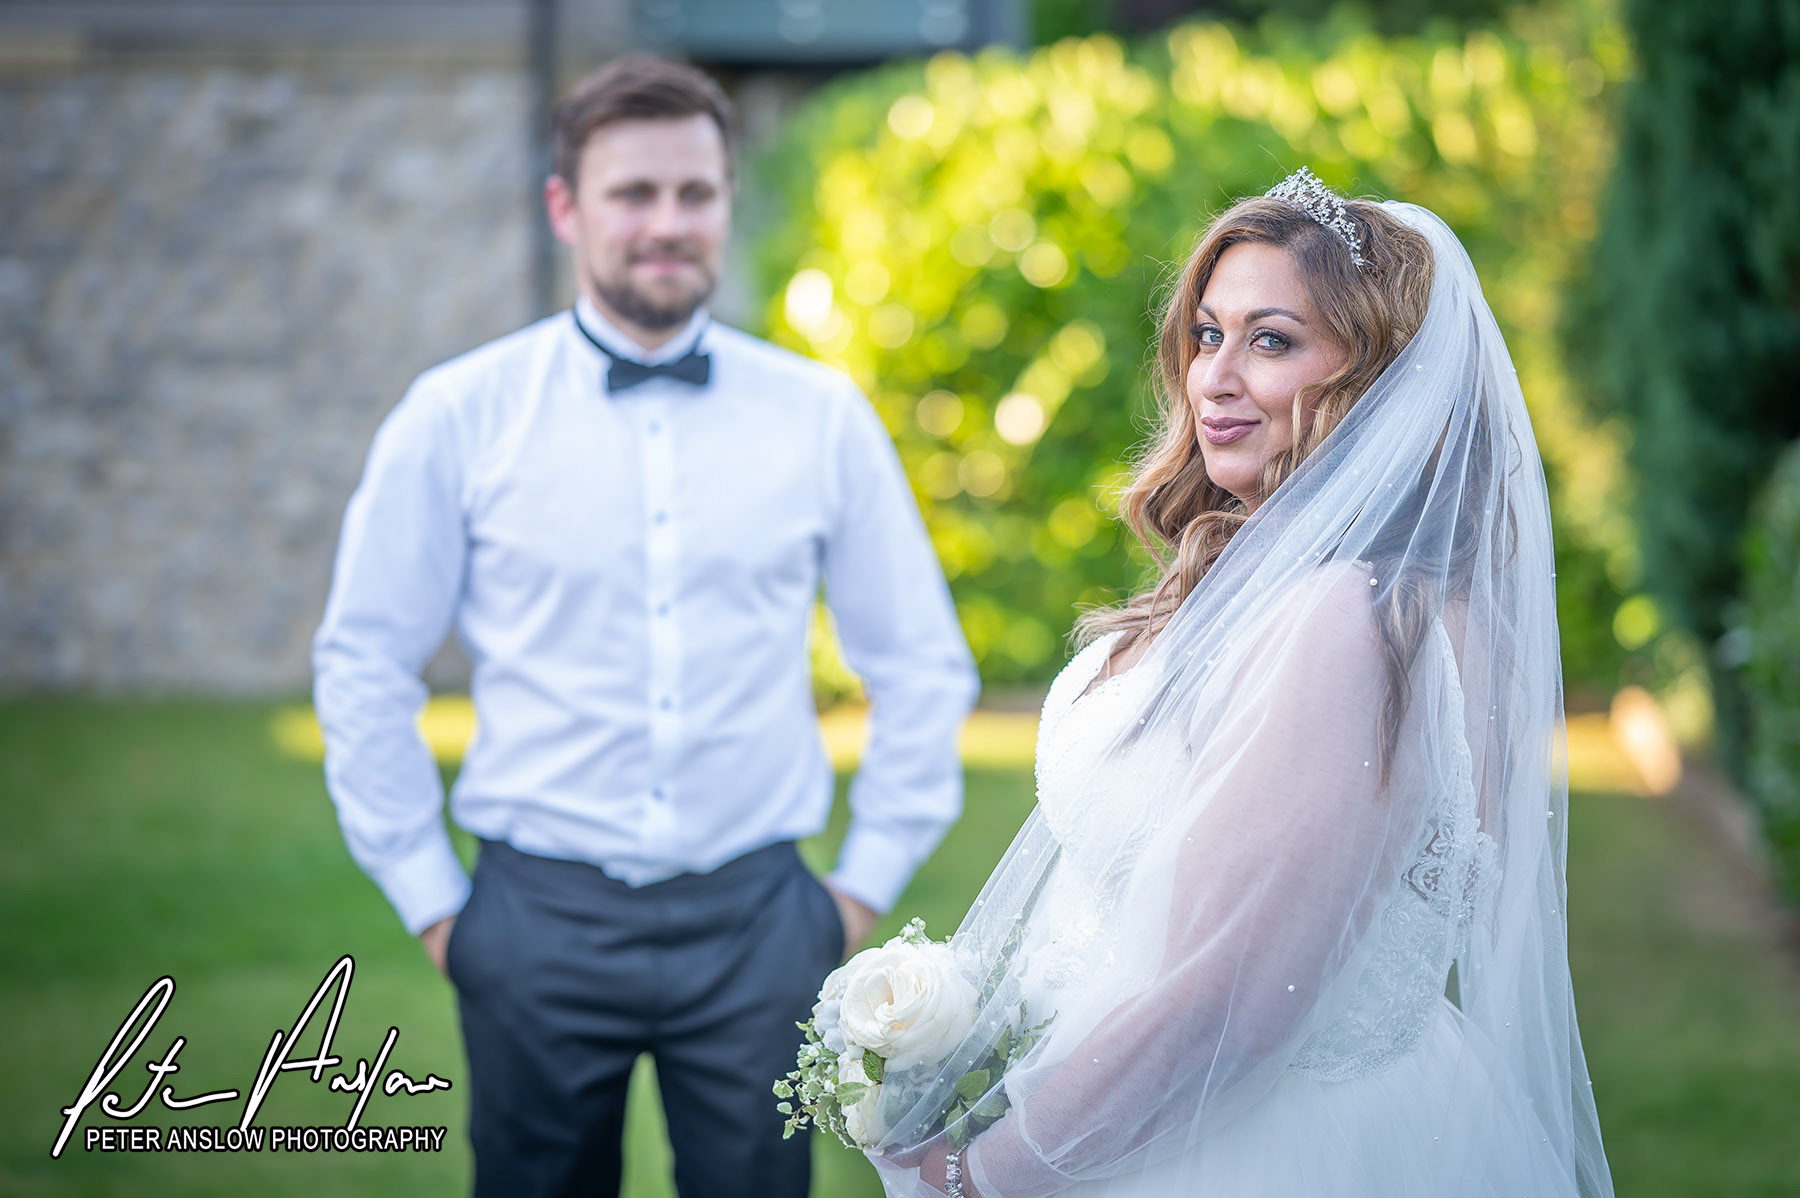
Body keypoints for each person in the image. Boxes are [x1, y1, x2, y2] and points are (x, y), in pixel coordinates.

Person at [867, 170, 1614, 1196]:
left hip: (1248, 1146)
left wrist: (977, 1173)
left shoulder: (1346, 618)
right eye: (1209, 334)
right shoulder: (1288, 580)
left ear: (1376, 376)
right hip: (1134, 1104)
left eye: (1271, 340)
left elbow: (1228, 1003)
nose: (1214, 377)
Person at [312, 56, 978, 1198]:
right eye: (633, 193)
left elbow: (921, 664)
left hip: (761, 925)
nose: (668, 223)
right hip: (533, 921)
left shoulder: (818, 418)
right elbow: (364, 660)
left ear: (725, 203)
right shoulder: (458, 415)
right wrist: (435, 903)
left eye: (694, 193)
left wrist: (855, 892)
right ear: (564, 206)